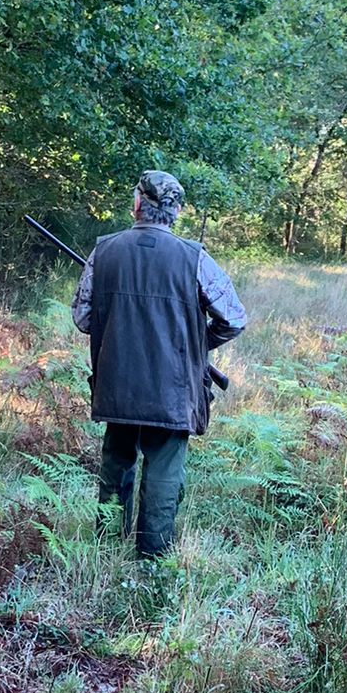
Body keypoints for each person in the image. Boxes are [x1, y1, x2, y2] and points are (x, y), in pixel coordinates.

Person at [71, 170, 246, 559]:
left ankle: (106, 550)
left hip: (117, 384)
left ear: (137, 204)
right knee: (164, 471)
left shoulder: (105, 250)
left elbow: (83, 318)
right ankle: (152, 560)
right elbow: (233, 318)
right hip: (172, 389)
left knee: (117, 462)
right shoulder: (194, 258)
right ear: (176, 211)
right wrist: (197, 344)